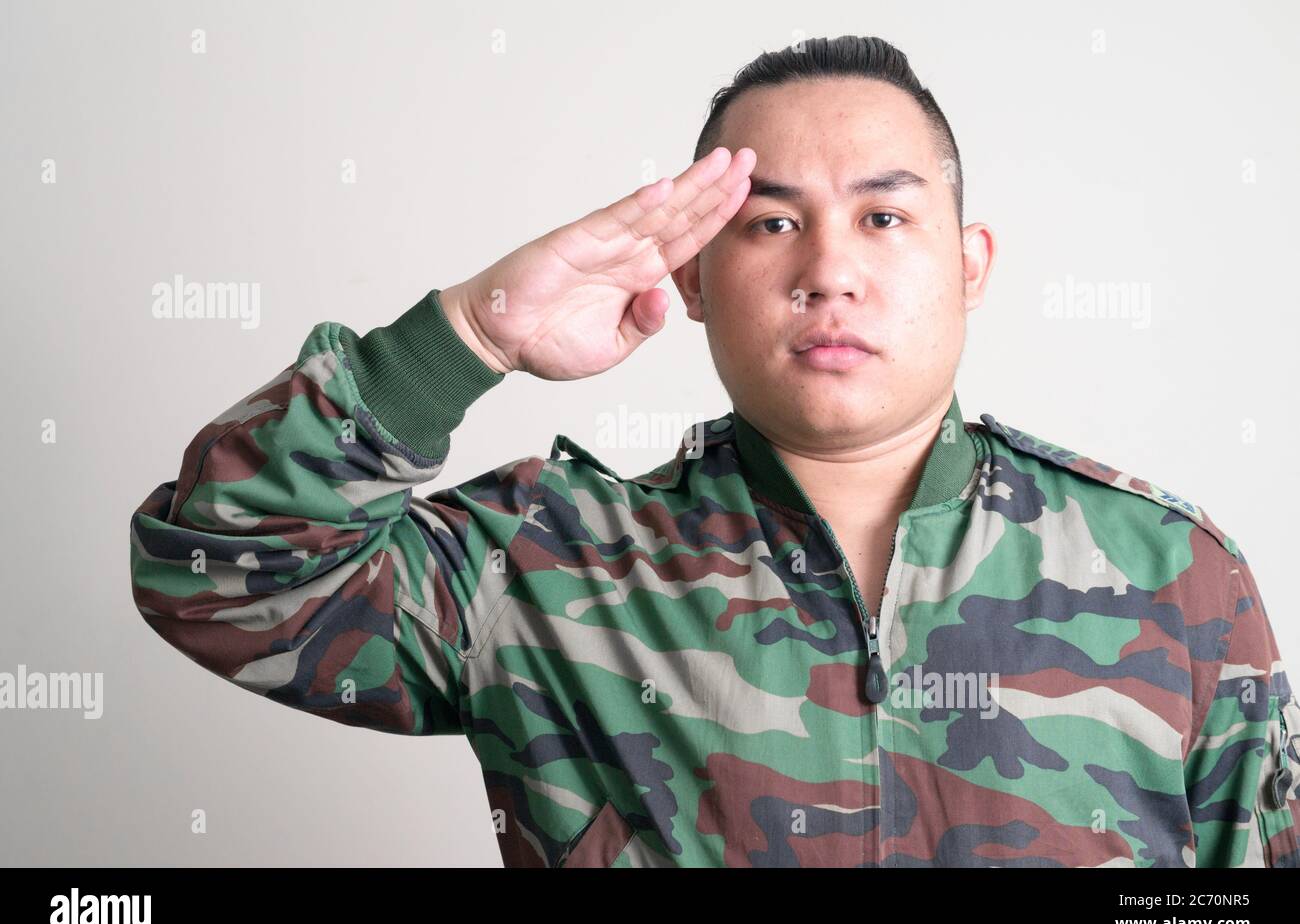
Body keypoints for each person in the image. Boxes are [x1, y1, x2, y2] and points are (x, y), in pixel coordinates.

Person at [129, 35, 1299, 867]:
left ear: (970, 261)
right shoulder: (546, 566)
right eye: (770, 223)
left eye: (884, 216)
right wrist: (469, 334)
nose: (828, 269)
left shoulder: (1170, 576)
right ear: (689, 277)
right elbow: (223, 576)